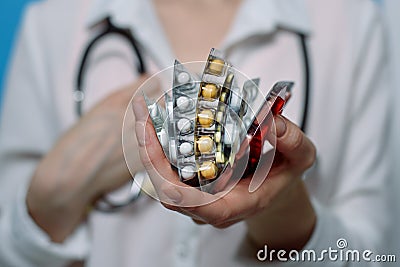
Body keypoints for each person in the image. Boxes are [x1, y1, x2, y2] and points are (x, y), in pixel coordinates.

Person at [0, 0, 395, 266]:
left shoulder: (352, 21)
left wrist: (286, 215)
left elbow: (376, 256)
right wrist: (48, 201)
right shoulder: (53, 22)